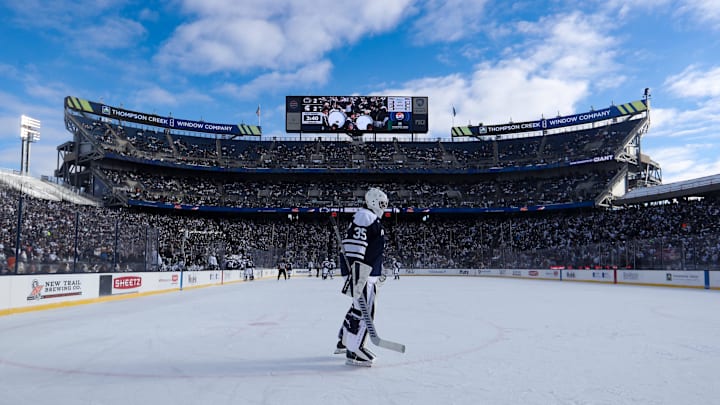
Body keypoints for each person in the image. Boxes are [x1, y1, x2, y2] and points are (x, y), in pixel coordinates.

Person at [336, 187, 388, 367]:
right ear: (373, 201)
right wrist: (357, 271)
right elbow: (355, 244)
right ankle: (355, 350)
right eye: (382, 203)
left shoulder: (367, 217)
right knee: (365, 310)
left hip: (364, 271)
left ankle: (344, 339)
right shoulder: (365, 216)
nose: (384, 207)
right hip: (361, 271)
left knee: (357, 307)